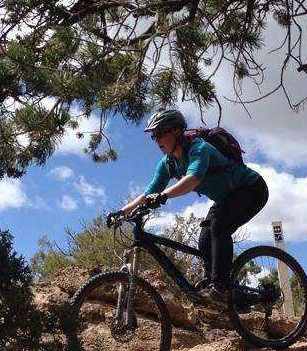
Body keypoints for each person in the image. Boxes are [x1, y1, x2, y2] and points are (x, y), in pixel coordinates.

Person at [109, 108, 269, 306]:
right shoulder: (167, 163)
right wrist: (121, 212)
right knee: (204, 239)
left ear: (176, 131)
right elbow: (148, 193)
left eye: (160, 133)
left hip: (252, 189)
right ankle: (224, 294)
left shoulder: (198, 148)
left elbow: (193, 179)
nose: (156, 139)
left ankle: (219, 288)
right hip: (226, 198)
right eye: (153, 136)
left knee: (219, 226)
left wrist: (163, 196)